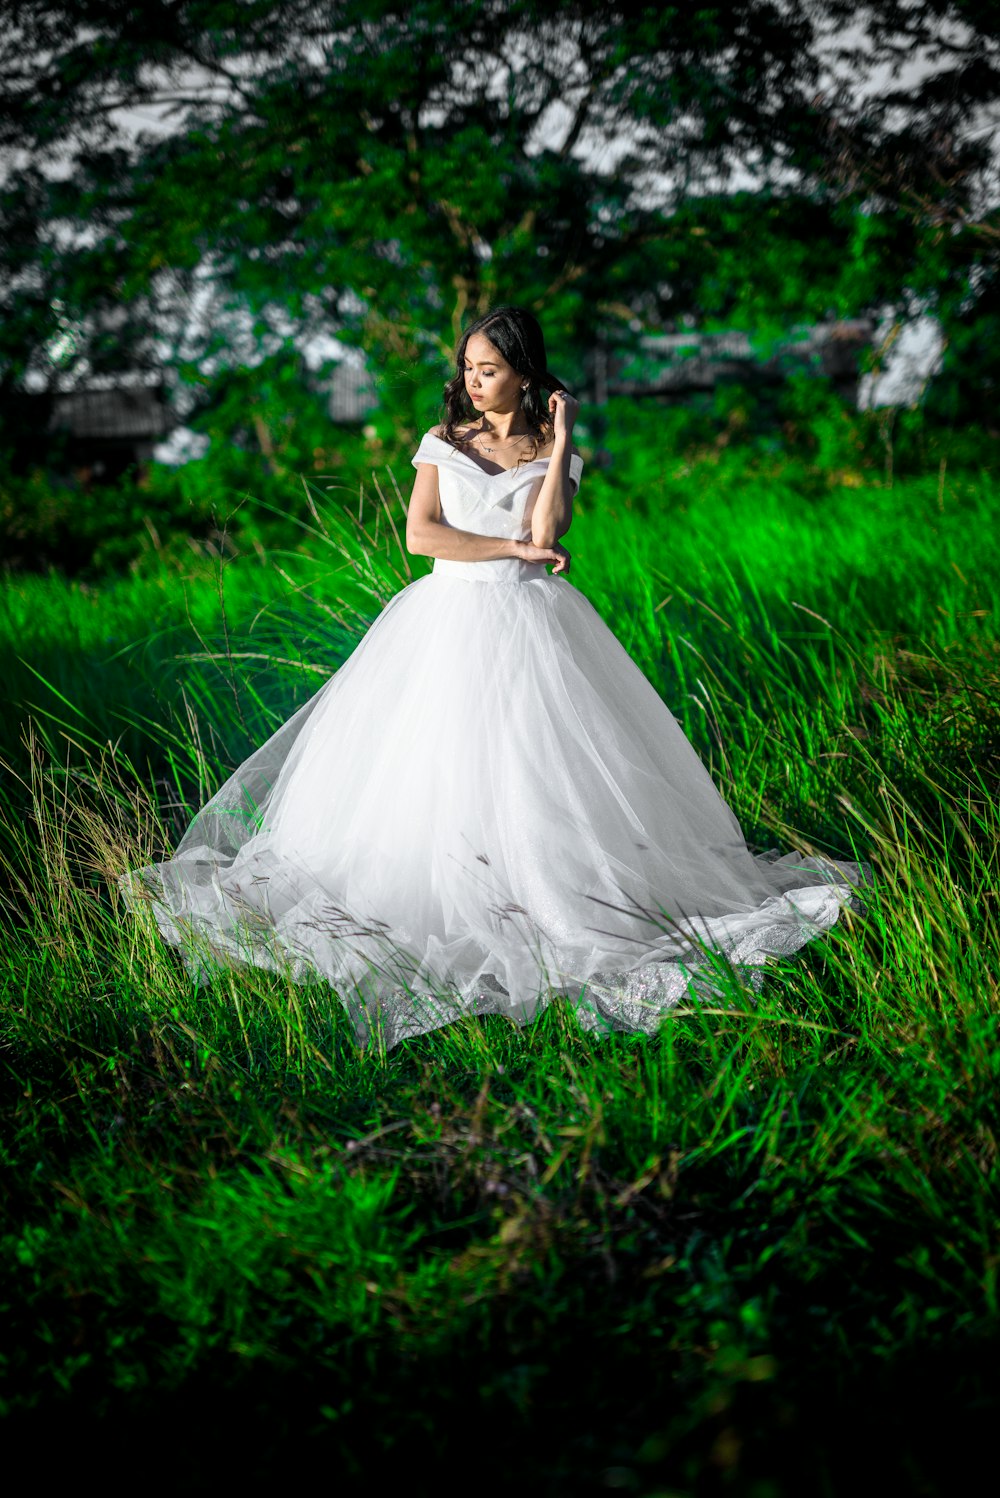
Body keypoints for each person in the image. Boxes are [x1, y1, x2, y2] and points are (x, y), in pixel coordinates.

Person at [122, 305, 864, 1047]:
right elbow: (421, 536)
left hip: (533, 623)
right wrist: (511, 552)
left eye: (489, 369)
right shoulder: (442, 441)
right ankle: (429, 897)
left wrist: (563, 441)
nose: (473, 382)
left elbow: (548, 534)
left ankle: (550, 896)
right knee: (434, 766)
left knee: (538, 765)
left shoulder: (551, 445)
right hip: (445, 618)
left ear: (525, 374)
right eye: (469, 368)